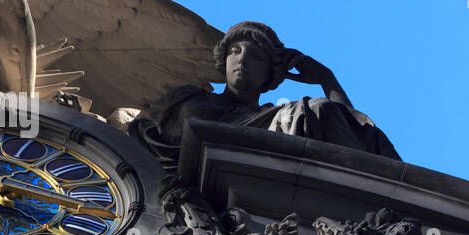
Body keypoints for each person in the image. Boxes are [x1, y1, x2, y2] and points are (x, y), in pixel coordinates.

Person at [142, 21, 401, 160]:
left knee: (320, 109)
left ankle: (369, 185)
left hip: (259, 168)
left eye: (255, 56)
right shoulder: (190, 97)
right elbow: (150, 134)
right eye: (235, 51)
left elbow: (351, 128)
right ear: (223, 60)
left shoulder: (276, 118)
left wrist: (327, 79)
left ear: (271, 73)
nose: (242, 60)